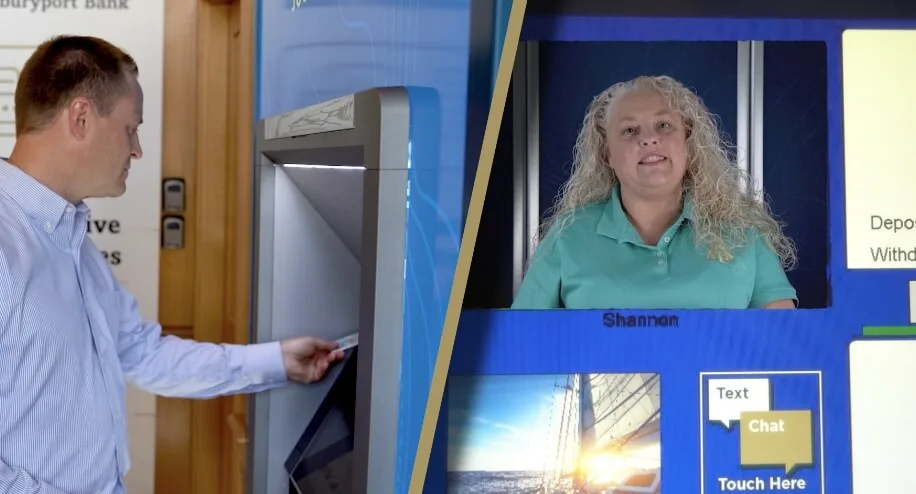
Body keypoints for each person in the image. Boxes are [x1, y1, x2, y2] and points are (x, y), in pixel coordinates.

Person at [0, 36, 345, 494]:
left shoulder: (74, 243)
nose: (137, 149)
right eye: (130, 128)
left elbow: (143, 352)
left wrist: (278, 361)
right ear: (81, 118)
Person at [512, 75, 798, 310]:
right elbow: (521, 343)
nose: (649, 139)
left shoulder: (742, 231)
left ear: (688, 142)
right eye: (629, 130)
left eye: (664, 125)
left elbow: (783, 346)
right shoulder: (568, 235)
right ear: (606, 154)